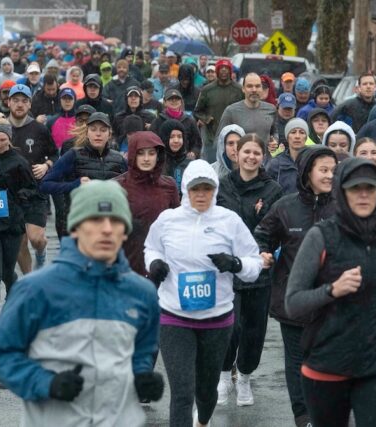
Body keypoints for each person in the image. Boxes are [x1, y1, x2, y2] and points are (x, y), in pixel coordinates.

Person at [0, 180, 163, 426]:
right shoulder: (36, 290)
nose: (107, 229)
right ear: (76, 227)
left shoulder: (142, 293)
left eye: (116, 221)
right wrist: (46, 383)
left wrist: (141, 375)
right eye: (96, 221)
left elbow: (141, 351)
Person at [285, 157, 376, 427]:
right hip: (327, 361)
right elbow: (293, 302)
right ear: (341, 192)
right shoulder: (321, 236)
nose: (363, 194)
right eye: (354, 188)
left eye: (370, 188)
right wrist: (332, 290)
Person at [144, 159, 264, 427]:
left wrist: (235, 264)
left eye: (207, 189)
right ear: (185, 189)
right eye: (195, 189)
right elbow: (150, 248)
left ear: (215, 189)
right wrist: (154, 264)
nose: (201, 195)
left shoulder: (229, 221)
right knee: (183, 392)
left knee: (206, 391)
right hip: (174, 316)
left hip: (217, 320)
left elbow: (254, 264)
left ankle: (203, 422)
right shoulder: (168, 220)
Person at [254, 145, 338, 427]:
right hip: (294, 297)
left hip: (332, 299)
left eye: (333, 171)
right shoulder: (285, 206)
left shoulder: (343, 204)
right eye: (323, 170)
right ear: (307, 172)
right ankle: (303, 416)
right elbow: (263, 234)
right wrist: (263, 251)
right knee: (297, 361)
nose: (329, 176)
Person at [216, 134, 283, 406]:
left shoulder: (273, 190)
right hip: (227, 269)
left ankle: (244, 377)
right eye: (246, 152)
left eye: (256, 153)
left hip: (258, 268)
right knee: (228, 328)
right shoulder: (222, 186)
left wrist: (266, 253)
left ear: (263, 156)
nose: (251, 157)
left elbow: (276, 227)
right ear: (236, 153)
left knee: (254, 330)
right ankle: (222, 377)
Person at [0, 117, 40, 335]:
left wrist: (13, 196)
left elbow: (33, 191)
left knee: (8, 272)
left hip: (11, 223)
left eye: (2, 139)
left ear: (9, 139)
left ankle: (15, 305)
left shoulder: (19, 162)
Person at [40, 112, 127, 234]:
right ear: (87, 133)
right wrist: (75, 185)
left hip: (110, 226)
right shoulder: (73, 155)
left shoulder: (119, 159)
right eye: (93, 129)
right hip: (79, 224)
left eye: (103, 130)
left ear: (109, 134)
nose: (98, 134)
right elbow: (45, 184)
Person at [115, 131, 179, 277]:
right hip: (127, 266)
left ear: (158, 156)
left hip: (160, 267)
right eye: (140, 153)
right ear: (132, 155)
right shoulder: (117, 187)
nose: (146, 159)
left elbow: (177, 226)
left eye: (151, 153)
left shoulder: (169, 186)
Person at [8, 84, 57, 272]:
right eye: (16, 100)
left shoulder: (39, 129)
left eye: (24, 101)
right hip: (12, 193)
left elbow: (54, 155)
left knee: (36, 239)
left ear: (30, 104)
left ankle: (41, 254)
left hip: (36, 190)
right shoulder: (1, 128)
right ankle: (31, 281)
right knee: (20, 242)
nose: (19, 105)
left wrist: (46, 166)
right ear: (9, 102)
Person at [194, 59, 244, 163]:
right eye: (221, 68)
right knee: (212, 166)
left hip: (233, 137)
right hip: (211, 137)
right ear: (217, 71)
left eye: (227, 68)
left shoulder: (239, 90)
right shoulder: (207, 89)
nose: (224, 71)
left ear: (231, 71)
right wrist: (206, 118)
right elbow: (197, 111)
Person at [217, 73, 277, 146]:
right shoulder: (231, 111)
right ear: (243, 89)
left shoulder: (271, 109)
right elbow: (220, 140)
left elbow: (274, 132)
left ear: (261, 88)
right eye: (250, 86)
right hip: (240, 157)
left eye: (257, 86)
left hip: (265, 157)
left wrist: (275, 141)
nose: (254, 90)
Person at [150, 88, 201, 158]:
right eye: (171, 99)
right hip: (164, 159)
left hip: (185, 158)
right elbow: (151, 140)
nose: (174, 101)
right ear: (165, 102)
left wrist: (193, 152)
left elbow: (197, 141)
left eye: (177, 99)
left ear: (181, 102)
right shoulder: (158, 120)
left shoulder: (190, 120)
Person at [267, 118, 312, 194]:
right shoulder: (276, 163)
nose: (297, 136)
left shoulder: (313, 161)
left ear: (306, 137)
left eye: (301, 132)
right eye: (293, 132)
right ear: (287, 137)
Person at [159, 119, 191, 194]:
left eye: (179, 137)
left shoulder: (189, 163)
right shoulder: (158, 162)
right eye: (172, 137)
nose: (176, 140)